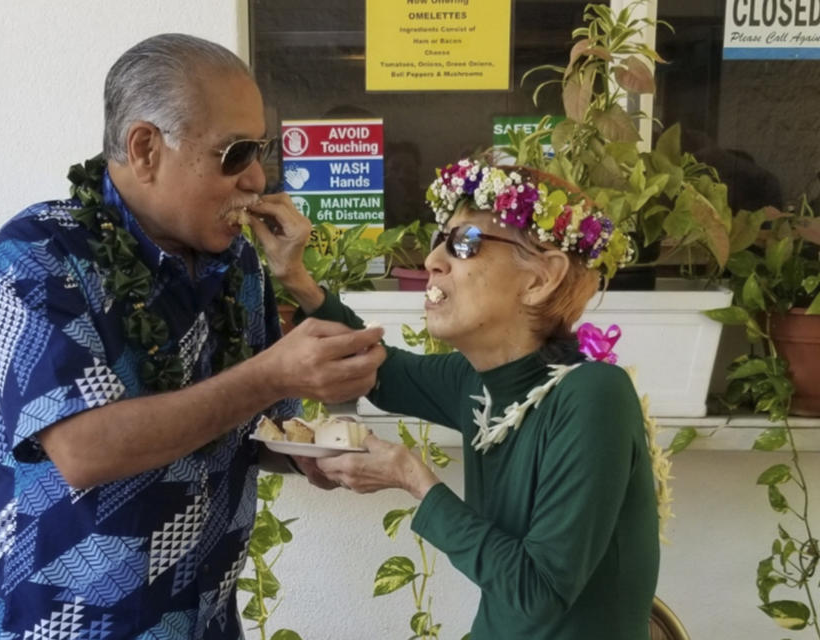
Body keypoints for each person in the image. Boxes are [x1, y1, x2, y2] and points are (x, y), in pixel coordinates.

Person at [0, 34, 384, 639]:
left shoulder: (239, 266)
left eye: (260, 151)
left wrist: (312, 456)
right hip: (80, 626)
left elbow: (259, 426)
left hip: (208, 620)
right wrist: (272, 373)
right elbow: (85, 450)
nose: (256, 177)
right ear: (145, 148)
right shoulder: (41, 253)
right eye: (235, 152)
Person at [252, 157, 662, 639]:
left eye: (465, 243)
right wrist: (295, 277)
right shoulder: (477, 380)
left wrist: (412, 478)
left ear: (540, 279)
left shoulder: (594, 395)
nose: (431, 261)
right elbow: (374, 368)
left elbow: (539, 593)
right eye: (438, 241)